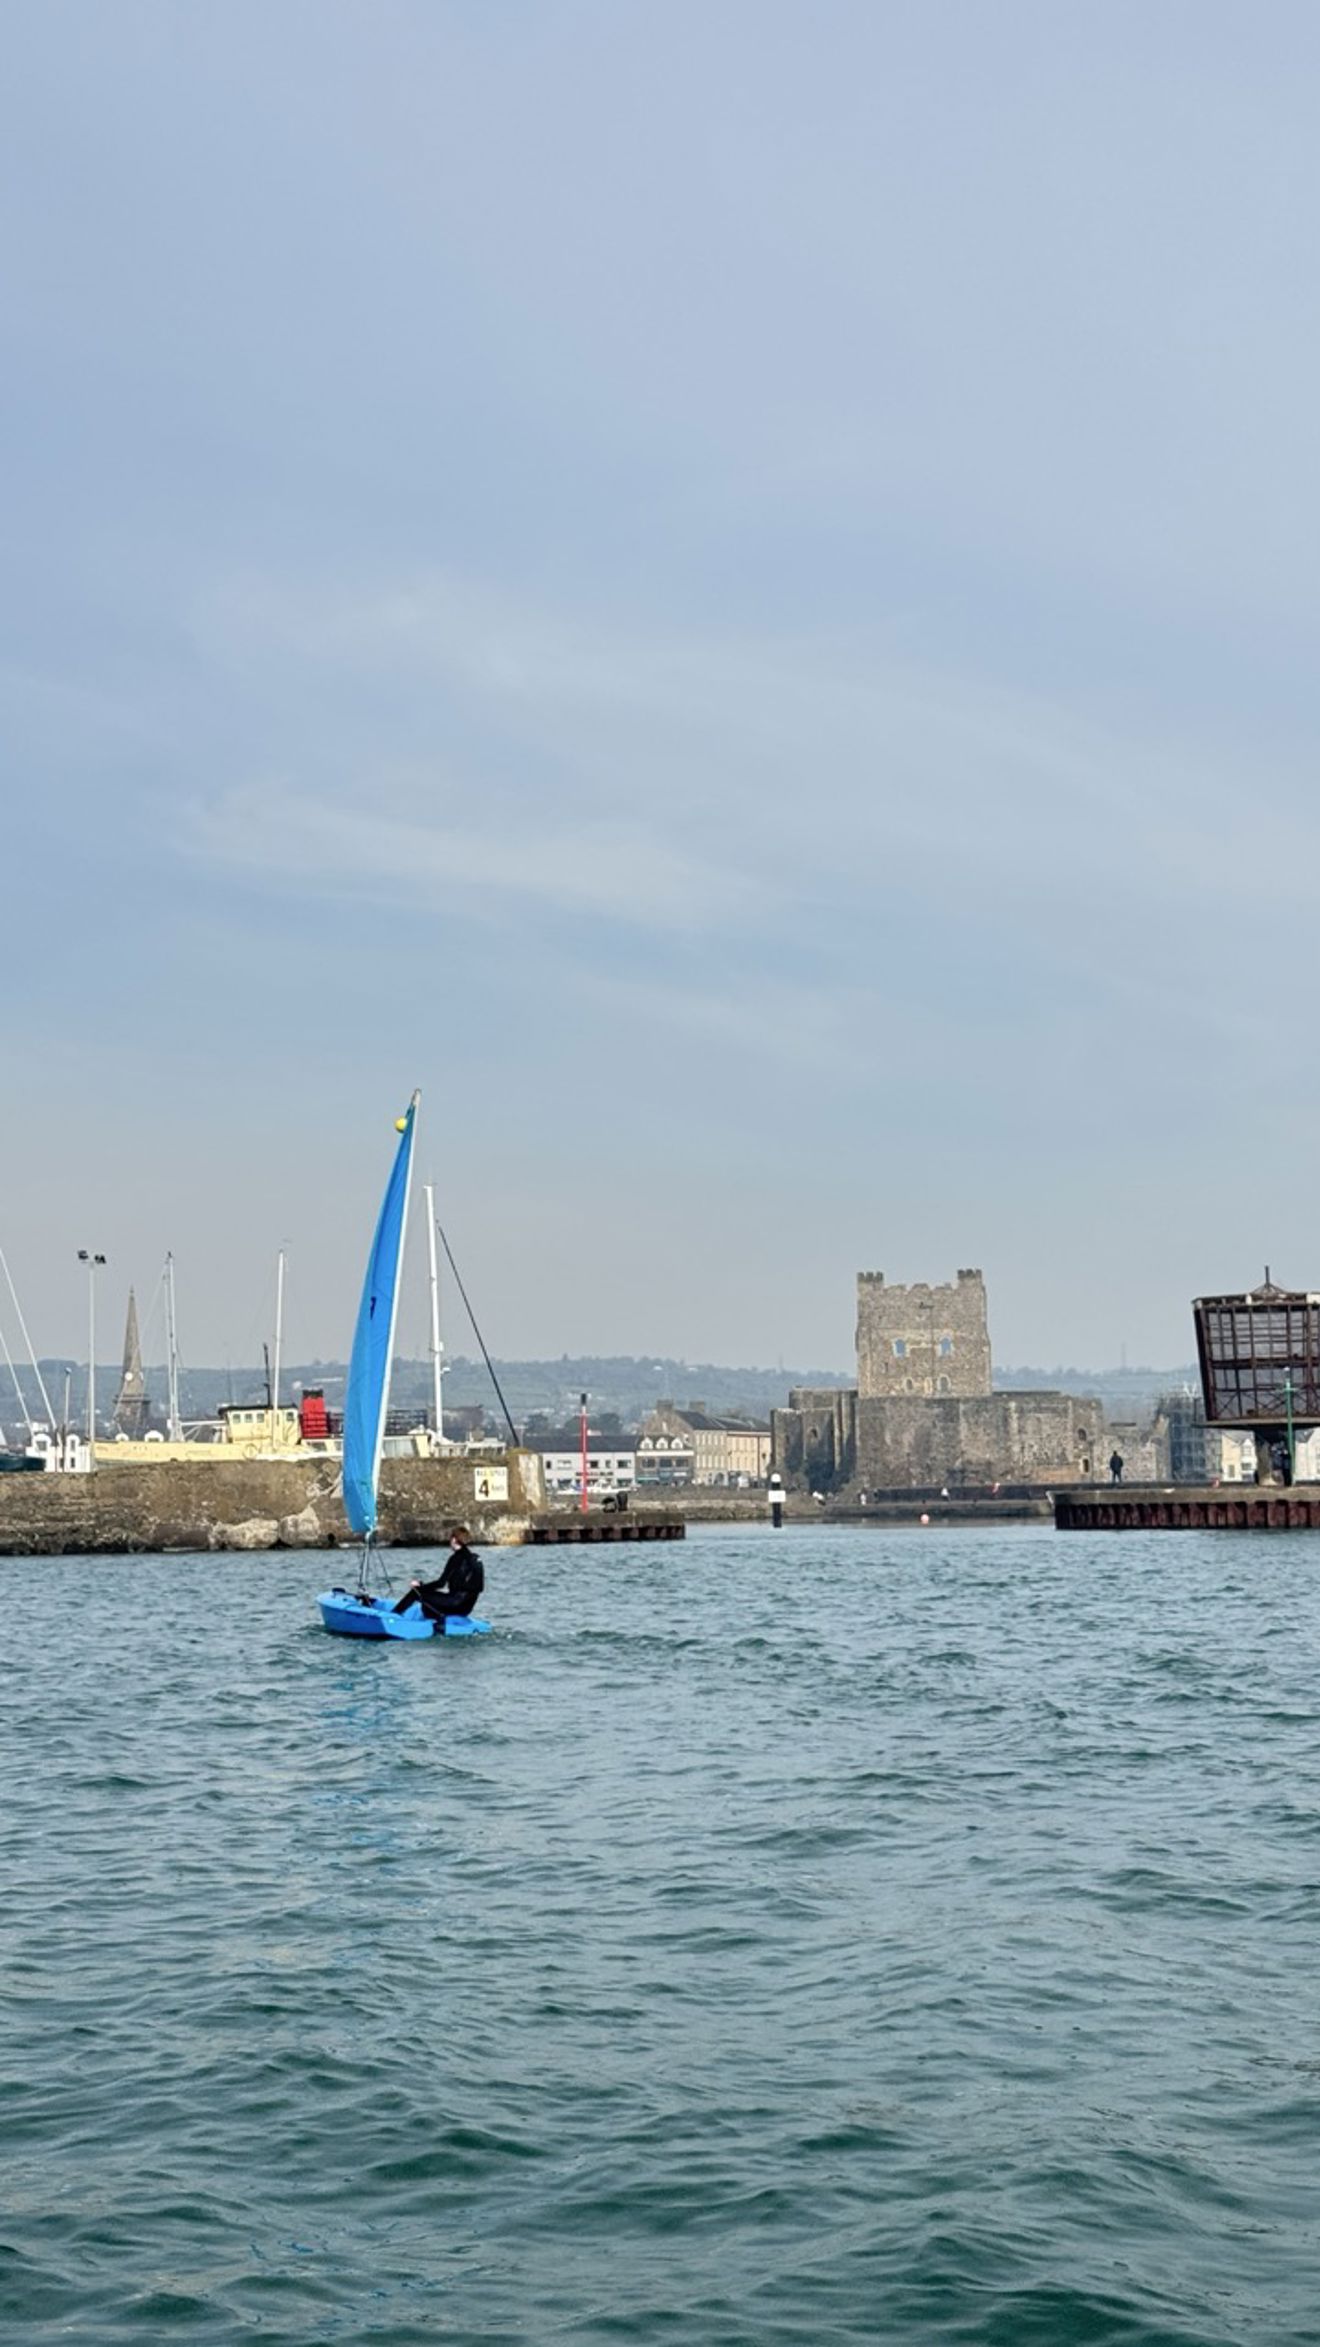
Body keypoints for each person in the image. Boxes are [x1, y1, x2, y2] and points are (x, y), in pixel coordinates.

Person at [394, 1526, 485, 1623]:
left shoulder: (455, 1558)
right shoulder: (475, 1559)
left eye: (451, 1538)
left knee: (416, 1592)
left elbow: (441, 1583)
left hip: (454, 1604)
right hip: (466, 1609)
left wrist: (421, 1586)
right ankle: (436, 1621)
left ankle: (393, 1615)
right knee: (428, 1602)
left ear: (454, 1539)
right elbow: (479, 1588)